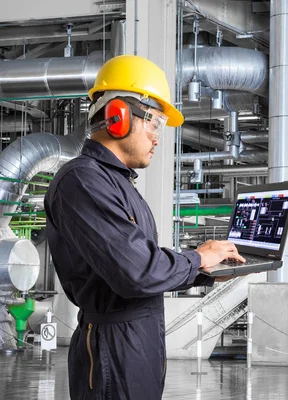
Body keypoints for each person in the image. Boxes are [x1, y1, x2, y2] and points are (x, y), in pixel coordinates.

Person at [44, 55, 245, 399]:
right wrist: (197, 259)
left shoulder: (116, 182)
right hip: (112, 351)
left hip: (136, 342)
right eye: (154, 123)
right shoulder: (83, 181)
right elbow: (136, 272)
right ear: (119, 117)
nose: (157, 137)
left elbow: (139, 261)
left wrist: (204, 272)